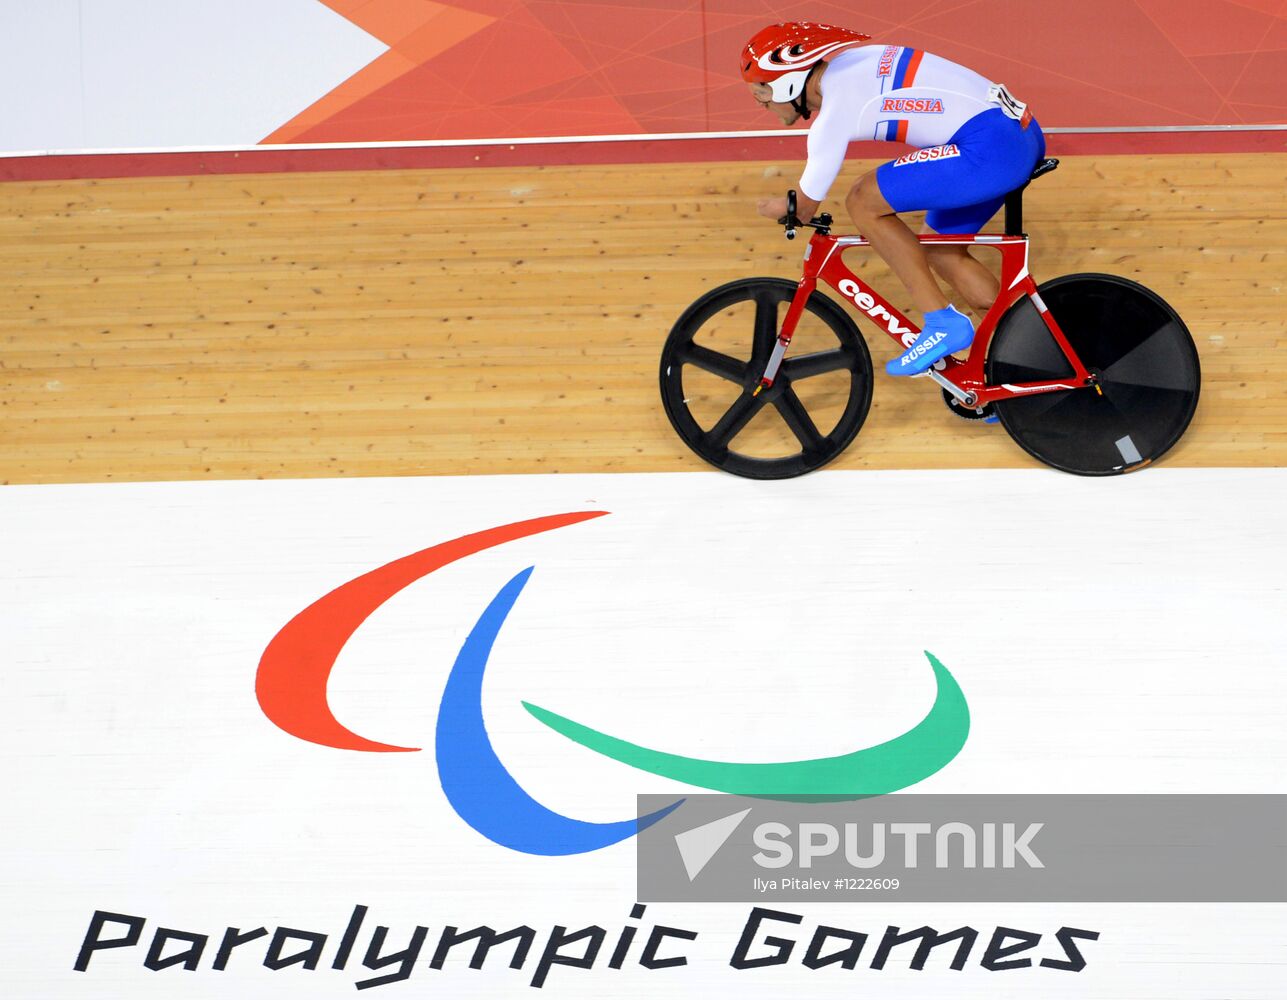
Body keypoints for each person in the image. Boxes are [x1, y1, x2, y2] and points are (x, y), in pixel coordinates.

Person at [742, 22, 1045, 375]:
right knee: (940, 249)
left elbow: (806, 206)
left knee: (862, 198)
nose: (761, 102)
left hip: (991, 148)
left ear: (787, 80)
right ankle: (1028, 367)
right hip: (1018, 135)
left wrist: (772, 207)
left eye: (762, 91)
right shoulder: (848, 64)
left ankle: (941, 321)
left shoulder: (836, 109)